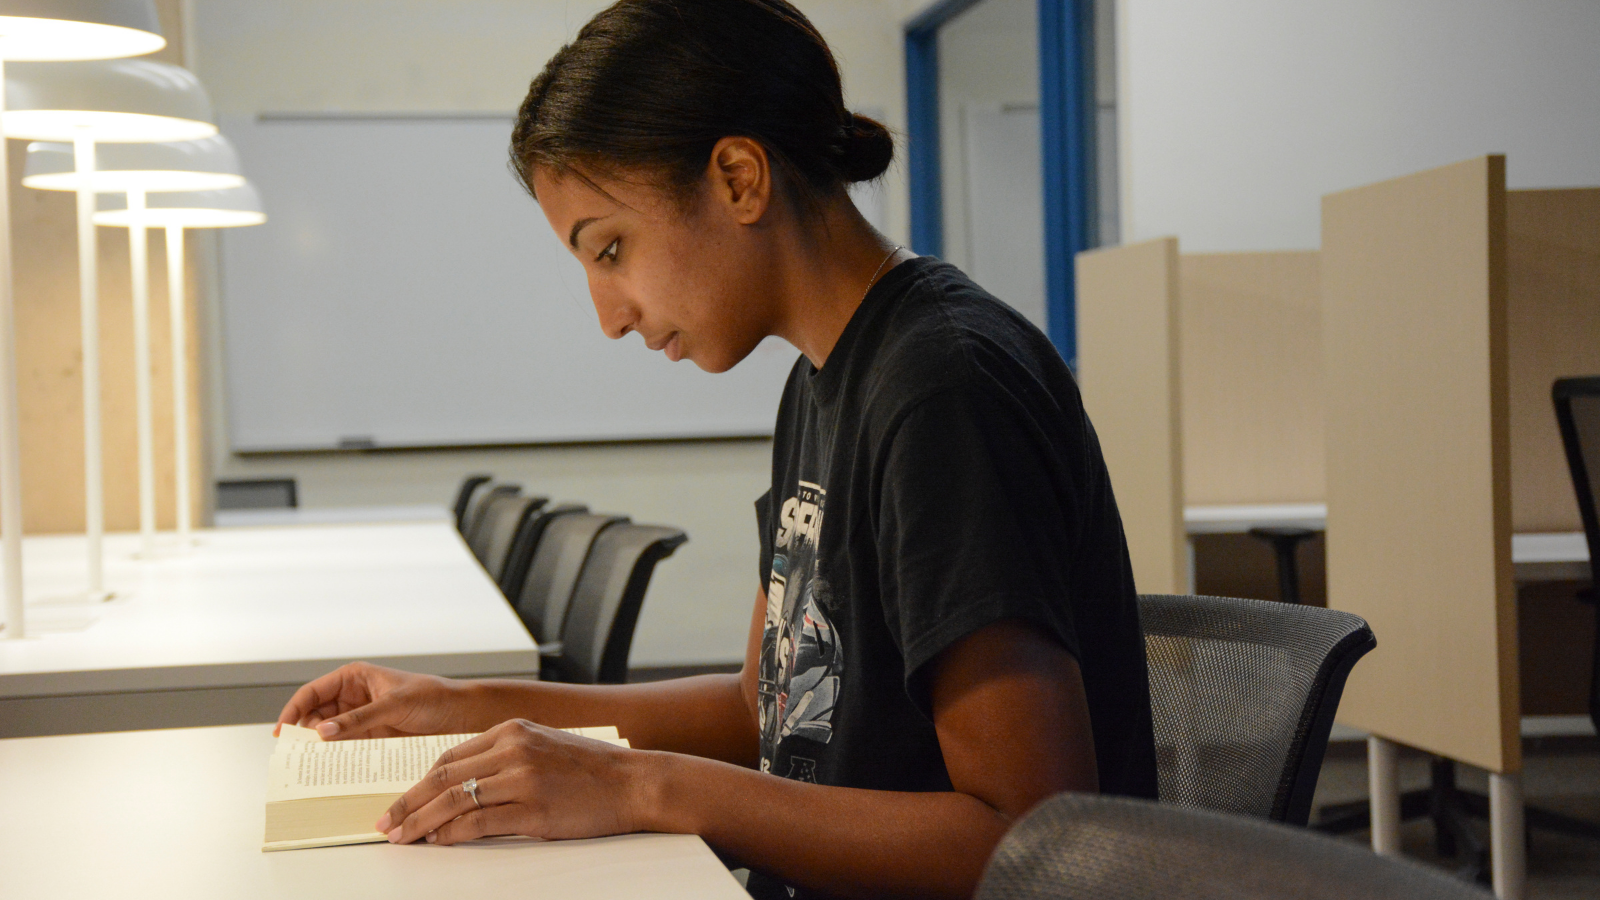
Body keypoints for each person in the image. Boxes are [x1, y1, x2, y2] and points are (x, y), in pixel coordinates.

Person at [275, 1, 1157, 897]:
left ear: (739, 177)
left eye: (611, 249)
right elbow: (760, 705)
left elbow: (1033, 839)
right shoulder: (822, 379)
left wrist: (640, 786)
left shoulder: (945, 389)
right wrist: (471, 706)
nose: (608, 316)